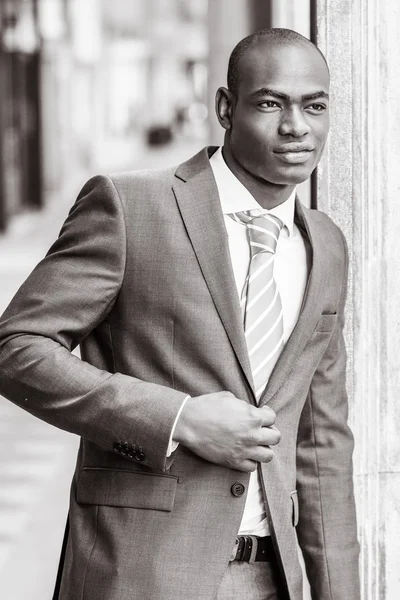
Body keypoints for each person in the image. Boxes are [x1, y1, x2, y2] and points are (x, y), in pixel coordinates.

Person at [0, 28, 360, 600]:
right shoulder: (130, 206)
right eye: (271, 103)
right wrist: (177, 418)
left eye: (314, 106)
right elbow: (18, 349)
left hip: (273, 579)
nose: (296, 126)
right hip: (140, 573)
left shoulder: (326, 246)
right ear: (225, 107)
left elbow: (322, 443)